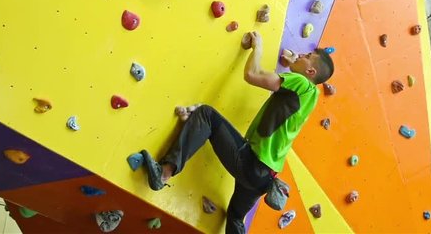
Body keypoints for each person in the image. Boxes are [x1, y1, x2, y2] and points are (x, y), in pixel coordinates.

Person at [136, 31, 334, 234]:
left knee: (206, 115)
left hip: (253, 164)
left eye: (307, 57)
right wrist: (293, 62)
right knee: (236, 218)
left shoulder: (300, 83)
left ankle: (164, 173)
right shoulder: (311, 97)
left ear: (310, 72)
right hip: (264, 177)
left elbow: (252, 75)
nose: (301, 54)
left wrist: (258, 46)